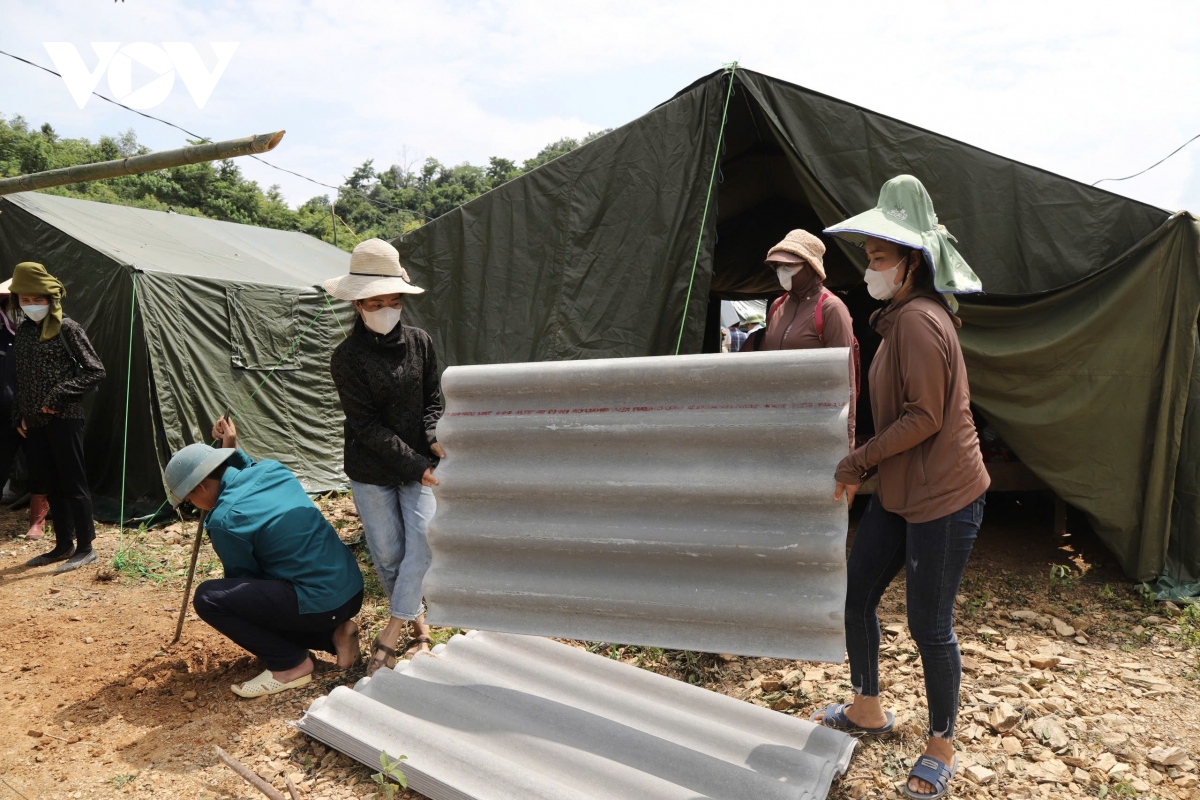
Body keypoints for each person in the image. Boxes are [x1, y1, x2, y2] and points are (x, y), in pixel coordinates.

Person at [811, 175, 989, 800]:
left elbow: (926, 417)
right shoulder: (900, 318)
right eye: (867, 256)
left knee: (929, 624)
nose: (869, 268)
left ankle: (941, 744)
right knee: (857, 593)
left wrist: (857, 462)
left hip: (945, 495)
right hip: (903, 489)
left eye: (880, 257)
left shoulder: (918, 322)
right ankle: (867, 707)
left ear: (913, 262)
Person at [165, 416, 364, 698]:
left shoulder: (224, 519)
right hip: (350, 590)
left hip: (320, 603)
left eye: (189, 501)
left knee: (211, 599)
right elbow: (246, 469)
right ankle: (335, 637)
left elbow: (244, 581)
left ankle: (290, 664)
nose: (193, 506)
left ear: (199, 488)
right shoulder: (273, 469)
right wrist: (232, 447)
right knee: (275, 585)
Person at [325, 238, 444, 676]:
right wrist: (418, 464)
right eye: (377, 302)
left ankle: (390, 634)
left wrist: (431, 436)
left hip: (419, 466)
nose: (387, 309)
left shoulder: (420, 342)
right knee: (391, 555)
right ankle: (420, 629)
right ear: (358, 304)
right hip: (372, 469)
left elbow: (432, 399)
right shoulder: (346, 359)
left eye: (394, 301)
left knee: (423, 544)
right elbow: (367, 426)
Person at [12, 262, 105, 572]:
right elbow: (21, 377)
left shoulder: (68, 328)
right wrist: (19, 415)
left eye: (37, 299)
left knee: (73, 483)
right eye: (25, 300)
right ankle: (63, 545)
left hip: (65, 417)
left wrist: (57, 396)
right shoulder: (23, 332)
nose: (31, 305)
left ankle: (86, 547)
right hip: (34, 423)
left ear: (51, 298)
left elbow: (95, 370)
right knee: (49, 484)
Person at [742, 230, 858, 447]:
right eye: (778, 266)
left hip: (816, 426)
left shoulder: (830, 308)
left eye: (789, 266)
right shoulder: (777, 306)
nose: (781, 271)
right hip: (776, 423)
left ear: (810, 266)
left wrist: (846, 443)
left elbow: (846, 383)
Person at [0, 278, 43, 538]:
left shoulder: (44, 336)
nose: (19, 310)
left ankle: (37, 521)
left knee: (40, 463)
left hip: (34, 415)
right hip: (4, 416)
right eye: (14, 304)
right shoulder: (2, 338)